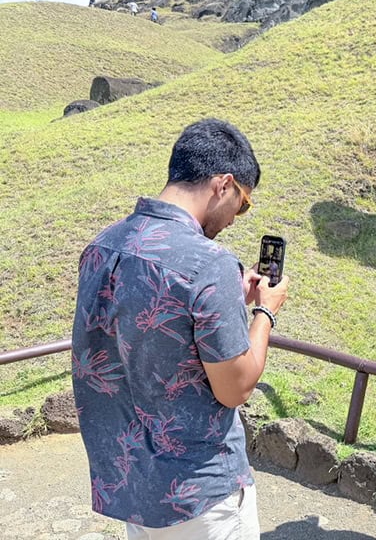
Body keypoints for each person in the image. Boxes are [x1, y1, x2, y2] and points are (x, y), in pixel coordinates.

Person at [71, 118, 288, 539]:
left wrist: (227, 303)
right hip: (199, 494)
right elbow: (236, 387)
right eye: (243, 203)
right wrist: (266, 312)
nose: (235, 218)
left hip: (132, 482)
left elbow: (144, 329)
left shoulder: (102, 246)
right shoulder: (209, 263)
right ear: (223, 185)